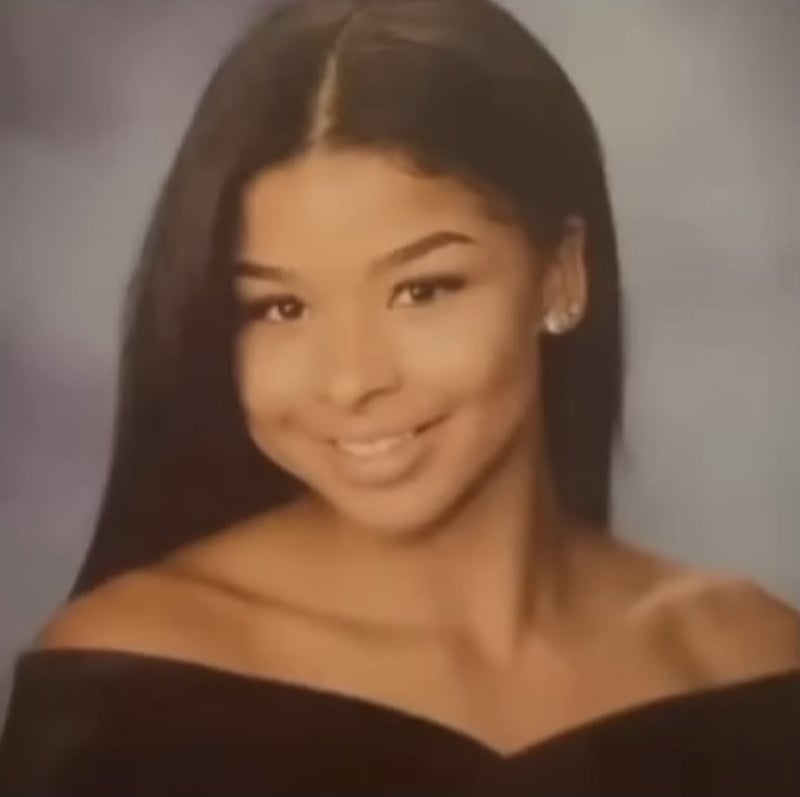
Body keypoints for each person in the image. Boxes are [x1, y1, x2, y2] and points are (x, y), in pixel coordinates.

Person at [1, 0, 798, 794]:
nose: (351, 379)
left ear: (561, 274)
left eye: (422, 289)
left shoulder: (756, 663)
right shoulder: (124, 693)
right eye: (281, 307)